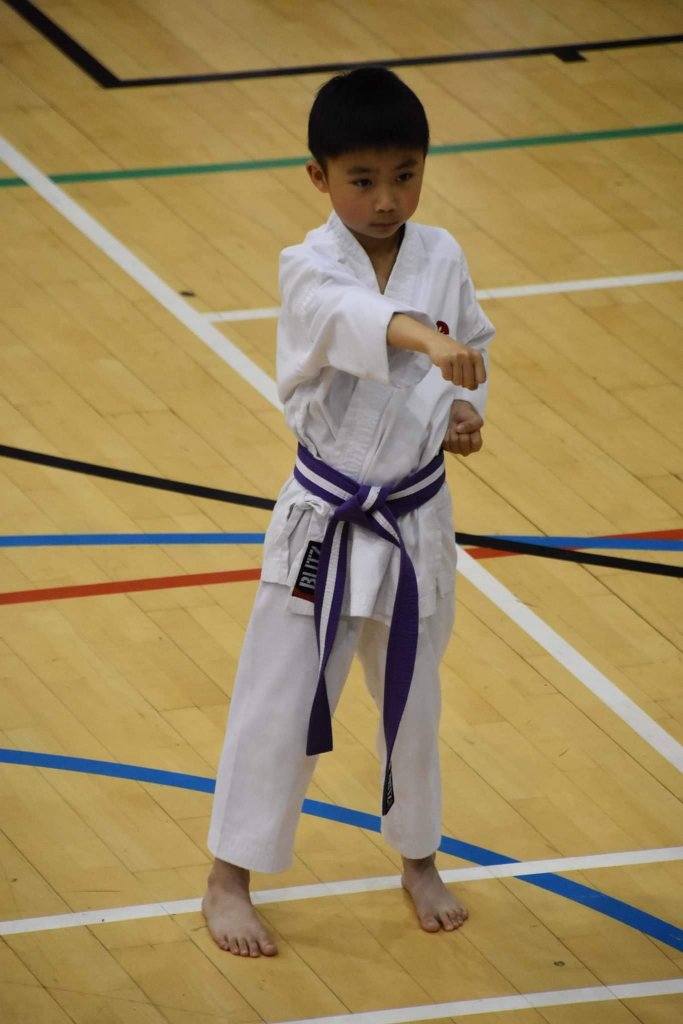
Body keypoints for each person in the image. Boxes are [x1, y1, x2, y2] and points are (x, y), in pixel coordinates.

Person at [203, 66, 494, 958]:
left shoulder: (441, 254)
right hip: (326, 523)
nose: (386, 198)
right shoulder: (309, 266)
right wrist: (430, 342)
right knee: (281, 699)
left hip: (413, 518)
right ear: (318, 176)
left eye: (405, 175)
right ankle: (227, 878)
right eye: (362, 180)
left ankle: (418, 859)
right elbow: (352, 318)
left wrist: (462, 406)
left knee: (414, 703)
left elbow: (472, 344)